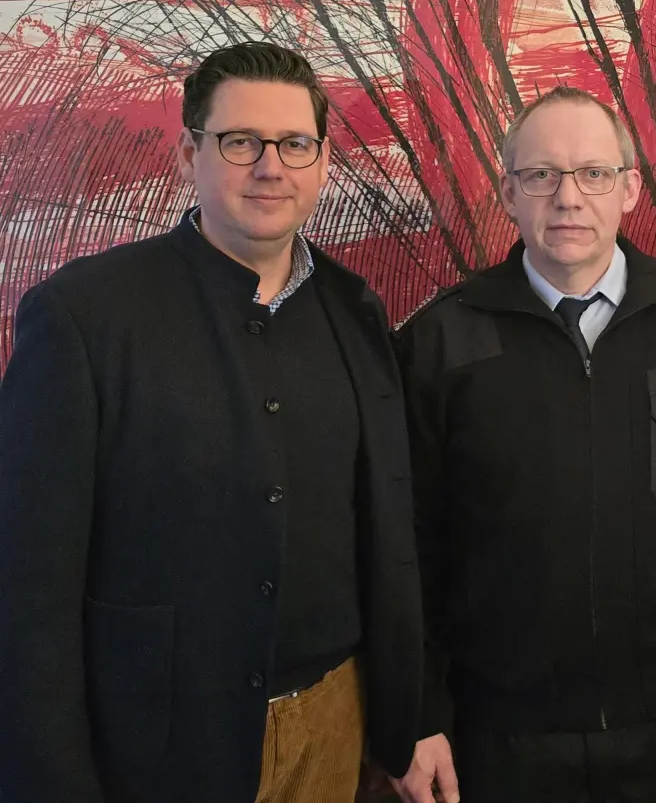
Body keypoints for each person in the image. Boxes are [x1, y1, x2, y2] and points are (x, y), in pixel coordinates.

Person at [0, 41, 424, 803]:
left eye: (295, 144)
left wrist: (409, 715)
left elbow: (386, 533)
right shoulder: (85, 317)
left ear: (324, 162)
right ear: (188, 154)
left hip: (337, 726)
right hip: (159, 747)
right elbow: (28, 590)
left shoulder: (355, 312)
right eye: (241, 142)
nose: (272, 166)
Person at [391, 86, 656, 803]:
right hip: (501, 735)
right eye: (541, 175)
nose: (567, 197)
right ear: (509, 193)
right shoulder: (442, 339)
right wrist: (419, 713)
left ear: (630, 188)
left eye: (592, 174)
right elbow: (408, 545)